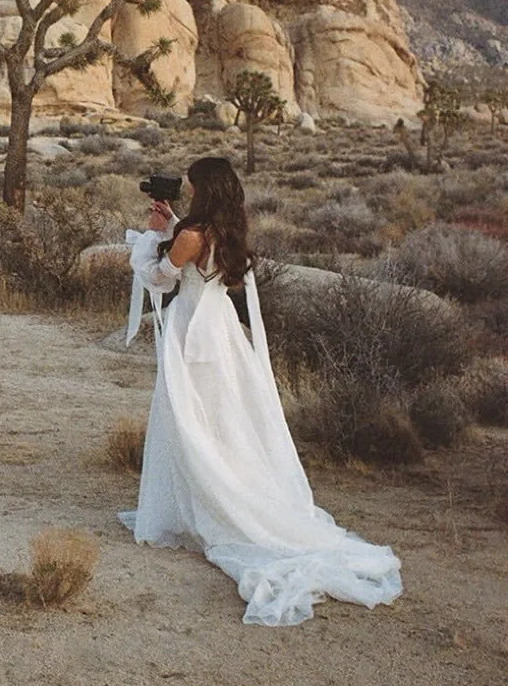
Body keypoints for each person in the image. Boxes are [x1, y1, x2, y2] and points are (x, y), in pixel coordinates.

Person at [120, 156, 401, 626]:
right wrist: (171, 223)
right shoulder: (224, 230)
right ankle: (221, 491)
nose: (186, 193)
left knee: (192, 418)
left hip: (192, 331)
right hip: (221, 328)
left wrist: (150, 237)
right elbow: (200, 258)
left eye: (190, 187)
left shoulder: (190, 235)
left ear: (204, 190)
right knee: (223, 417)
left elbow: (159, 276)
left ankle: (210, 502)